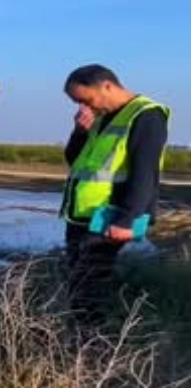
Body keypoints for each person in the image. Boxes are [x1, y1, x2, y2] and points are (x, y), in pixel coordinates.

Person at [60, 64, 170, 326]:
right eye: (78, 103)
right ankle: (81, 344)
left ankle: (94, 352)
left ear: (107, 86)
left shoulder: (146, 115)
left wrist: (126, 219)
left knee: (90, 290)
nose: (85, 108)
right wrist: (79, 132)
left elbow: (145, 173)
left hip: (108, 220)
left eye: (86, 100)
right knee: (78, 286)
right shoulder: (100, 117)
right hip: (81, 217)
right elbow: (74, 160)